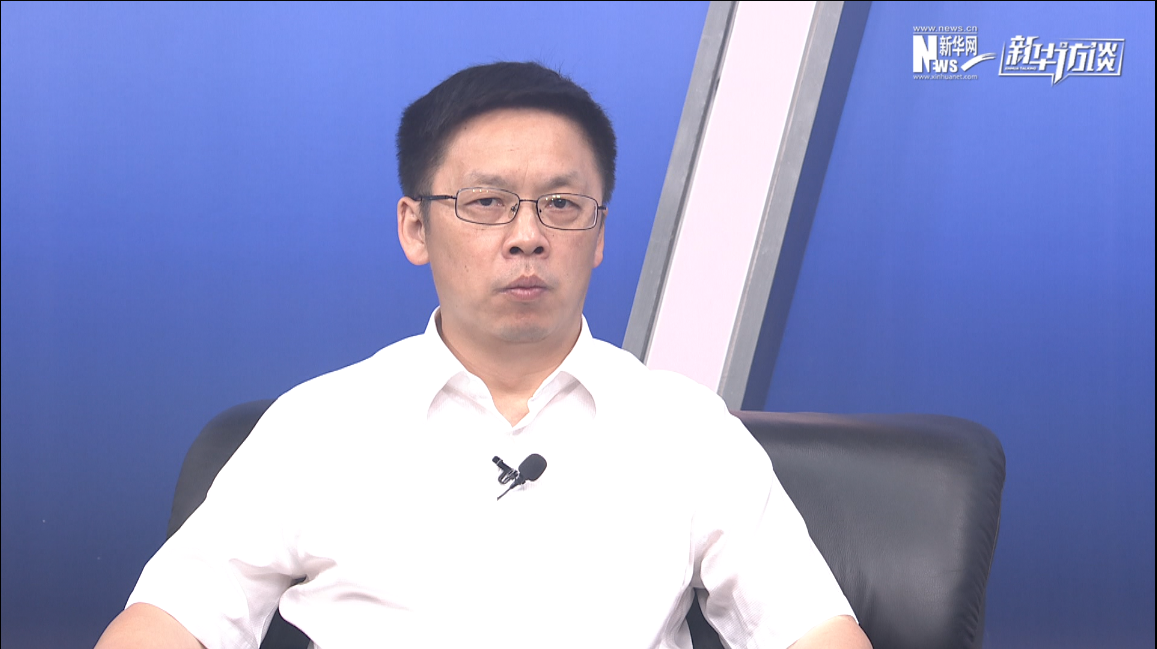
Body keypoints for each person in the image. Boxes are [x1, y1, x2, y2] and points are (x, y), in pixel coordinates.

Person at [96, 61, 871, 649]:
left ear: (599, 233)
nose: (526, 235)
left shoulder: (685, 429)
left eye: (561, 204)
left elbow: (811, 627)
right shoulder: (318, 424)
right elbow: (171, 616)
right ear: (415, 227)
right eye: (487, 202)